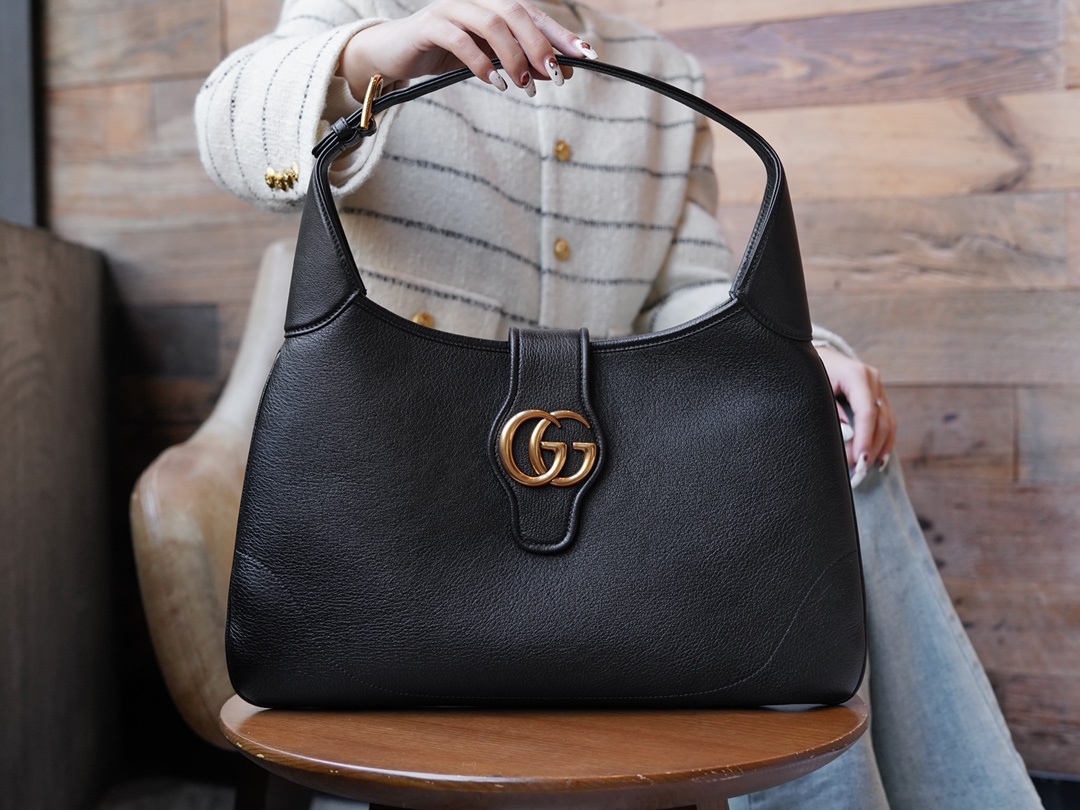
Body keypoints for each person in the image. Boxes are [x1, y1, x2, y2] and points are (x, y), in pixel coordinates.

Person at [195, 1, 1043, 806]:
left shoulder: (662, 72)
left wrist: (805, 360)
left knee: (845, 450)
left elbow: (688, 290)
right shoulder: (366, 10)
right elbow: (232, 134)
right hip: (403, 480)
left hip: (622, 470)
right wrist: (374, 56)